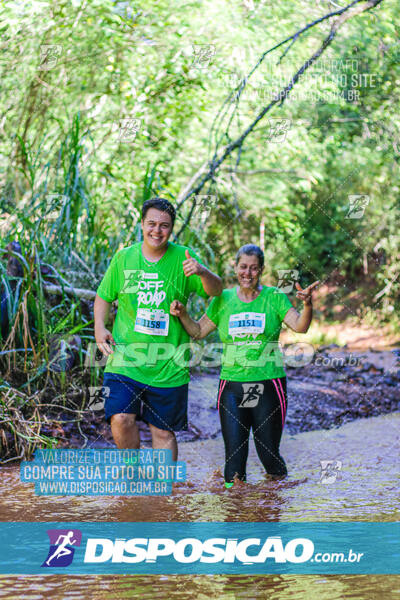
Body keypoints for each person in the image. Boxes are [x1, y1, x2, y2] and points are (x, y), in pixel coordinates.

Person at [170, 244, 318, 486]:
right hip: (232, 385)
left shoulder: (274, 297)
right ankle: (235, 515)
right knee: (234, 461)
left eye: (253, 268)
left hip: (268, 384)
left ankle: (273, 508)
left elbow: (300, 326)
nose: (247, 273)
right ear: (235, 267)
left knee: (268, 454)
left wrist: (308, 305)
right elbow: (198, 331)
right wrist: (184, 314)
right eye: (243, 267)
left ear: (261, 270)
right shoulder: (223, 299)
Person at [94, 197, 222, 460]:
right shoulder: (124, 258)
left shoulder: (184, 258)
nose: (157, 231)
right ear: (142, 224)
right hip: (126, 359)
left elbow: (218, 291)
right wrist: (99, 328)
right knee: (120, 418)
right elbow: (104, 296)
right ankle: (132, 476)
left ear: (172, 228)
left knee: (163, 433)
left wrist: (202, 272)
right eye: (151, 224)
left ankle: (164, 496)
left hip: (168, 364)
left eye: (164, 225)